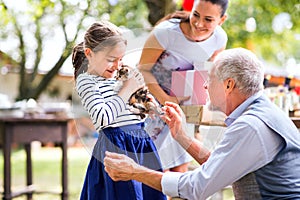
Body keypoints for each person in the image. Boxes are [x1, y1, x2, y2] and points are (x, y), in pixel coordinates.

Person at [104, 48, 300, 199]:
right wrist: (182, 136)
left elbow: (197, 188)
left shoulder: (251, 126)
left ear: (229, 85)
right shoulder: (262, 112)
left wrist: (135, 171)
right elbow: (220, 166)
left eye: (210, 79)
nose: (205, 85)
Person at [72, 21, 166, 200]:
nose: (117, 65)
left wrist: (151, 107)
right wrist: (127, 89)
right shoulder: (87, 81)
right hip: (116, 147)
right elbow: (102, 118)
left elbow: (132, 108)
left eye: (120, 59)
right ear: (89, 54)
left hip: (140, 143)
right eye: (111, 59)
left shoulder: (119, 76)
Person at [138, 0, 228, 173]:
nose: (199, 24)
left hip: (184, 110)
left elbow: (208, 75)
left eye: (208, 20)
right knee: (154, 170)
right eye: (196, 15)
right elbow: (142, 69)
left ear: (222, 20)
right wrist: (167, 101)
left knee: (180, 171)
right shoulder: (166, 32)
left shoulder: (219, 39)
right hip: (153, 104)